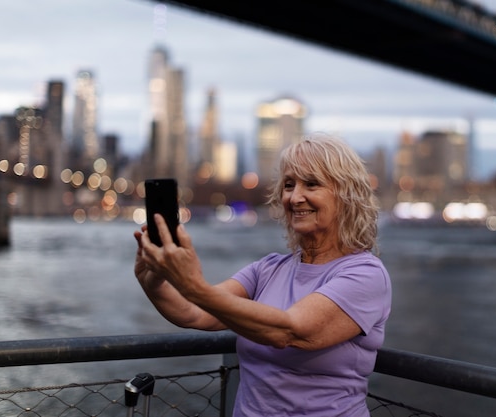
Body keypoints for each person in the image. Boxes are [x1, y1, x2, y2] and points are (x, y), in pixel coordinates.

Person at [134, 133, 392, 416]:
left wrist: (193, 285)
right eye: (289, 185)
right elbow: (194, 313)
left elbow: (289, 331)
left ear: (346, 195)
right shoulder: (268, 269)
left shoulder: (365, 274)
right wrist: (154, 282)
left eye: (312, 184)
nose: (295, 197)